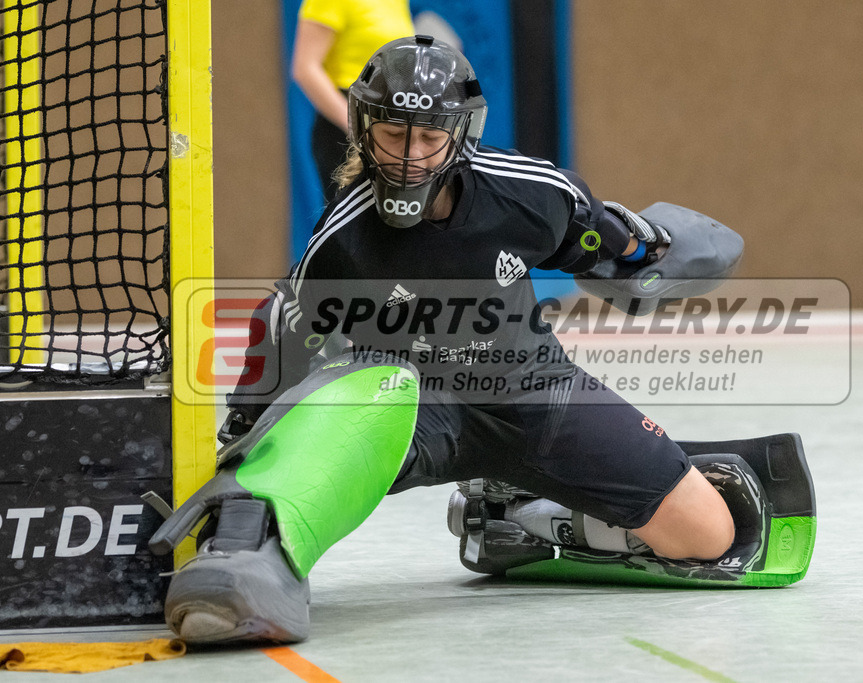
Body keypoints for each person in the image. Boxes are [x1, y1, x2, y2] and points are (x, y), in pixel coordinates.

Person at [150, 36, 770, 645]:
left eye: (428, 137)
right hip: (411, 414)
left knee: (712, 536)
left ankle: (520, 516)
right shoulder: (346, 234)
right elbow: (284, 320)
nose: (410, 156)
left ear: (461, 135)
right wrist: (246, 436)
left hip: (535, 394)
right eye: (394, 134)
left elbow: (605, 238)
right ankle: (240, 556)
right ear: (364, 128)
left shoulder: (528, 192)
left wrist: (652, 248)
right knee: (315, 444)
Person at [291, 0, 414, 198]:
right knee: (352, 219)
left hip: (389, 117)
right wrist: (355, 126)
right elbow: (305, 68)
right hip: (347, 124)